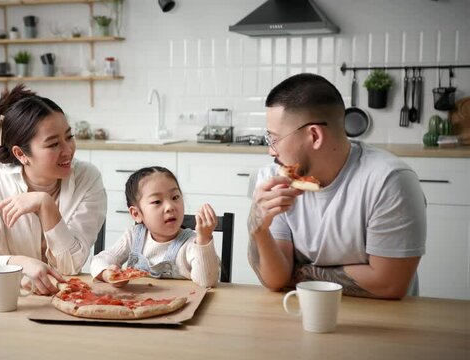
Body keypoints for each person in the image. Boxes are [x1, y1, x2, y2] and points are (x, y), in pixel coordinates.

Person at [247, 73, 426, 299]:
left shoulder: (389, 181)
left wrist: (298, 273)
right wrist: (257, 228)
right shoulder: (274, 181)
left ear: (314, 135)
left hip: (385, 322)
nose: (271, 151)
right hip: (300, 312)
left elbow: (389, 284)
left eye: (274, 139)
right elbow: (276, 280)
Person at [0, 84, 107, 295]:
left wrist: (46, 205)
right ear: (21, 154)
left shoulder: (87, 178)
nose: (68, 150)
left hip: (70, 298)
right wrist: (18, 265)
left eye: (69, 136)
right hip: (9, 299)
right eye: (53, 144)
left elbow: (70, 265)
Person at [90, 166, 220, 288]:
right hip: (137, 303)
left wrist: (204, 239)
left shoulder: (191, 243)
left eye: (175, 197)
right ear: (136, 214)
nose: (170, 206)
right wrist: (107, 273)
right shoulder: (133, 236)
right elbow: (99, 260)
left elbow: (207, 281)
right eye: (157, 201)